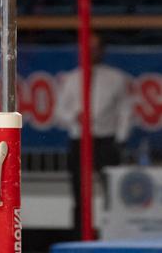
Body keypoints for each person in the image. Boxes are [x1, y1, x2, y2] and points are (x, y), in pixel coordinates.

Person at [55, 34, 131, 235]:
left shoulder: (116, 78)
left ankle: (114, 233)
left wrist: (120, 138)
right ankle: (80, 236)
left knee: (112, 191)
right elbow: (59, 111)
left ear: (102, 51)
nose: (91, 52)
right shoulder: (71, 79)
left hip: (106, 140)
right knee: (79, 192)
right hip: (79, 140)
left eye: (95, 48)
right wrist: (74, 116)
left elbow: (125, 109)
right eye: (87, 48)